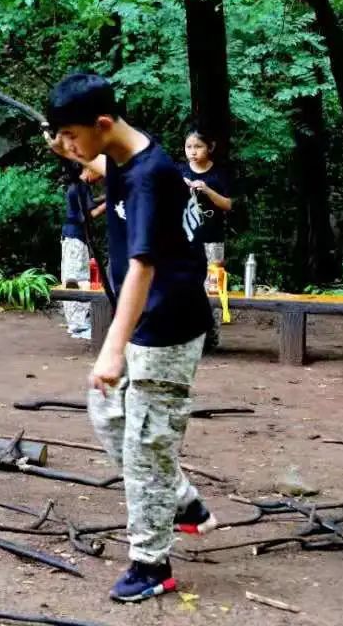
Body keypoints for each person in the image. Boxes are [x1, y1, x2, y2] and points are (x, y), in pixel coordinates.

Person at [46, 73, 217, 603]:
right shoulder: (124, 158)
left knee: (145, 442)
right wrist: (71, 152)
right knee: (106, 414)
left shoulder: (150, 175)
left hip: (164, 326)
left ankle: (151, 562)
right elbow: (100, 168)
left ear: (100, 124)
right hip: (144, 321)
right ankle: (182, 498)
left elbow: (143, 265)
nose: (69, 145)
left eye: (72, 135)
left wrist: (112, 347)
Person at [180, 129, 233, 350]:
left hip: (212, 239)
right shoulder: (179, 171)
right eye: (188, 147)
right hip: (184, 240)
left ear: (209, 148)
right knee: (184, 286)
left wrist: (207, 190)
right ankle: (187, 337)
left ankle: (211, 339)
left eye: (197, 146)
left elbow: (228, 205)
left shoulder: (219, 174)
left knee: (212, 288)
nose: (192, 152)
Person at [60, 161, 105, 340]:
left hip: (74, 237)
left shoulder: (78, 186)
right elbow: (91, 213)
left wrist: (103, 198)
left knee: (77, 276)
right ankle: (78, 326)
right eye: (99, 173)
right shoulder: (81, 186)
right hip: (75, 238)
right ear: (89, 169)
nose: (100, 177)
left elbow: (89, 204)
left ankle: (77, 324)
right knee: (76, 279)